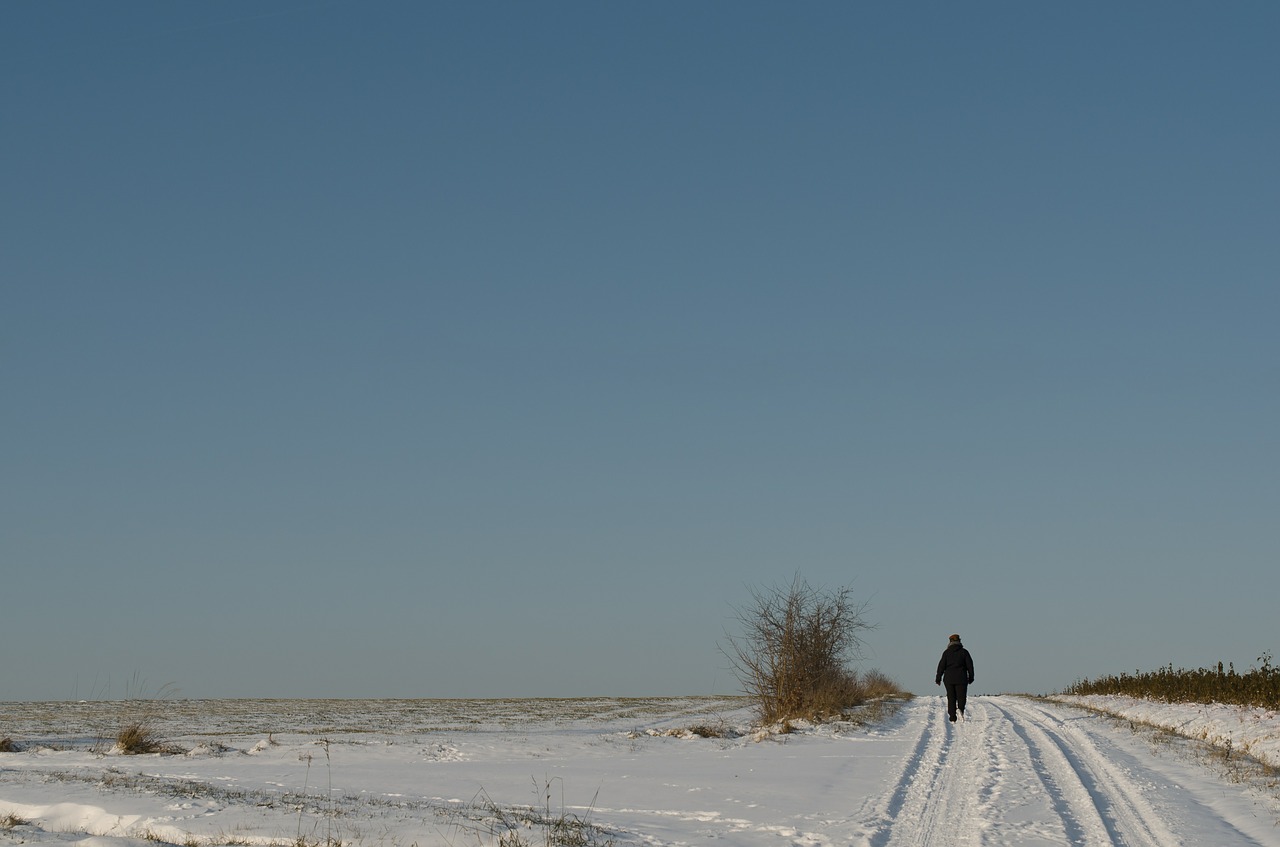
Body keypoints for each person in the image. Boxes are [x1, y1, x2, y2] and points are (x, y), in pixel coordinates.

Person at [935, 633, 974, 722]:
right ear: (959, 641)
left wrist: (938, 678)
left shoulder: (946, 653)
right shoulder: (964, 652)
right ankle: (960, 710)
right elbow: (970, 666)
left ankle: (952, 716)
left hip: (949, 679)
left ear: (950, 642)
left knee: (951, 697)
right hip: (961, 678)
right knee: (961, 697)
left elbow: (941, 666)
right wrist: (971, 677)